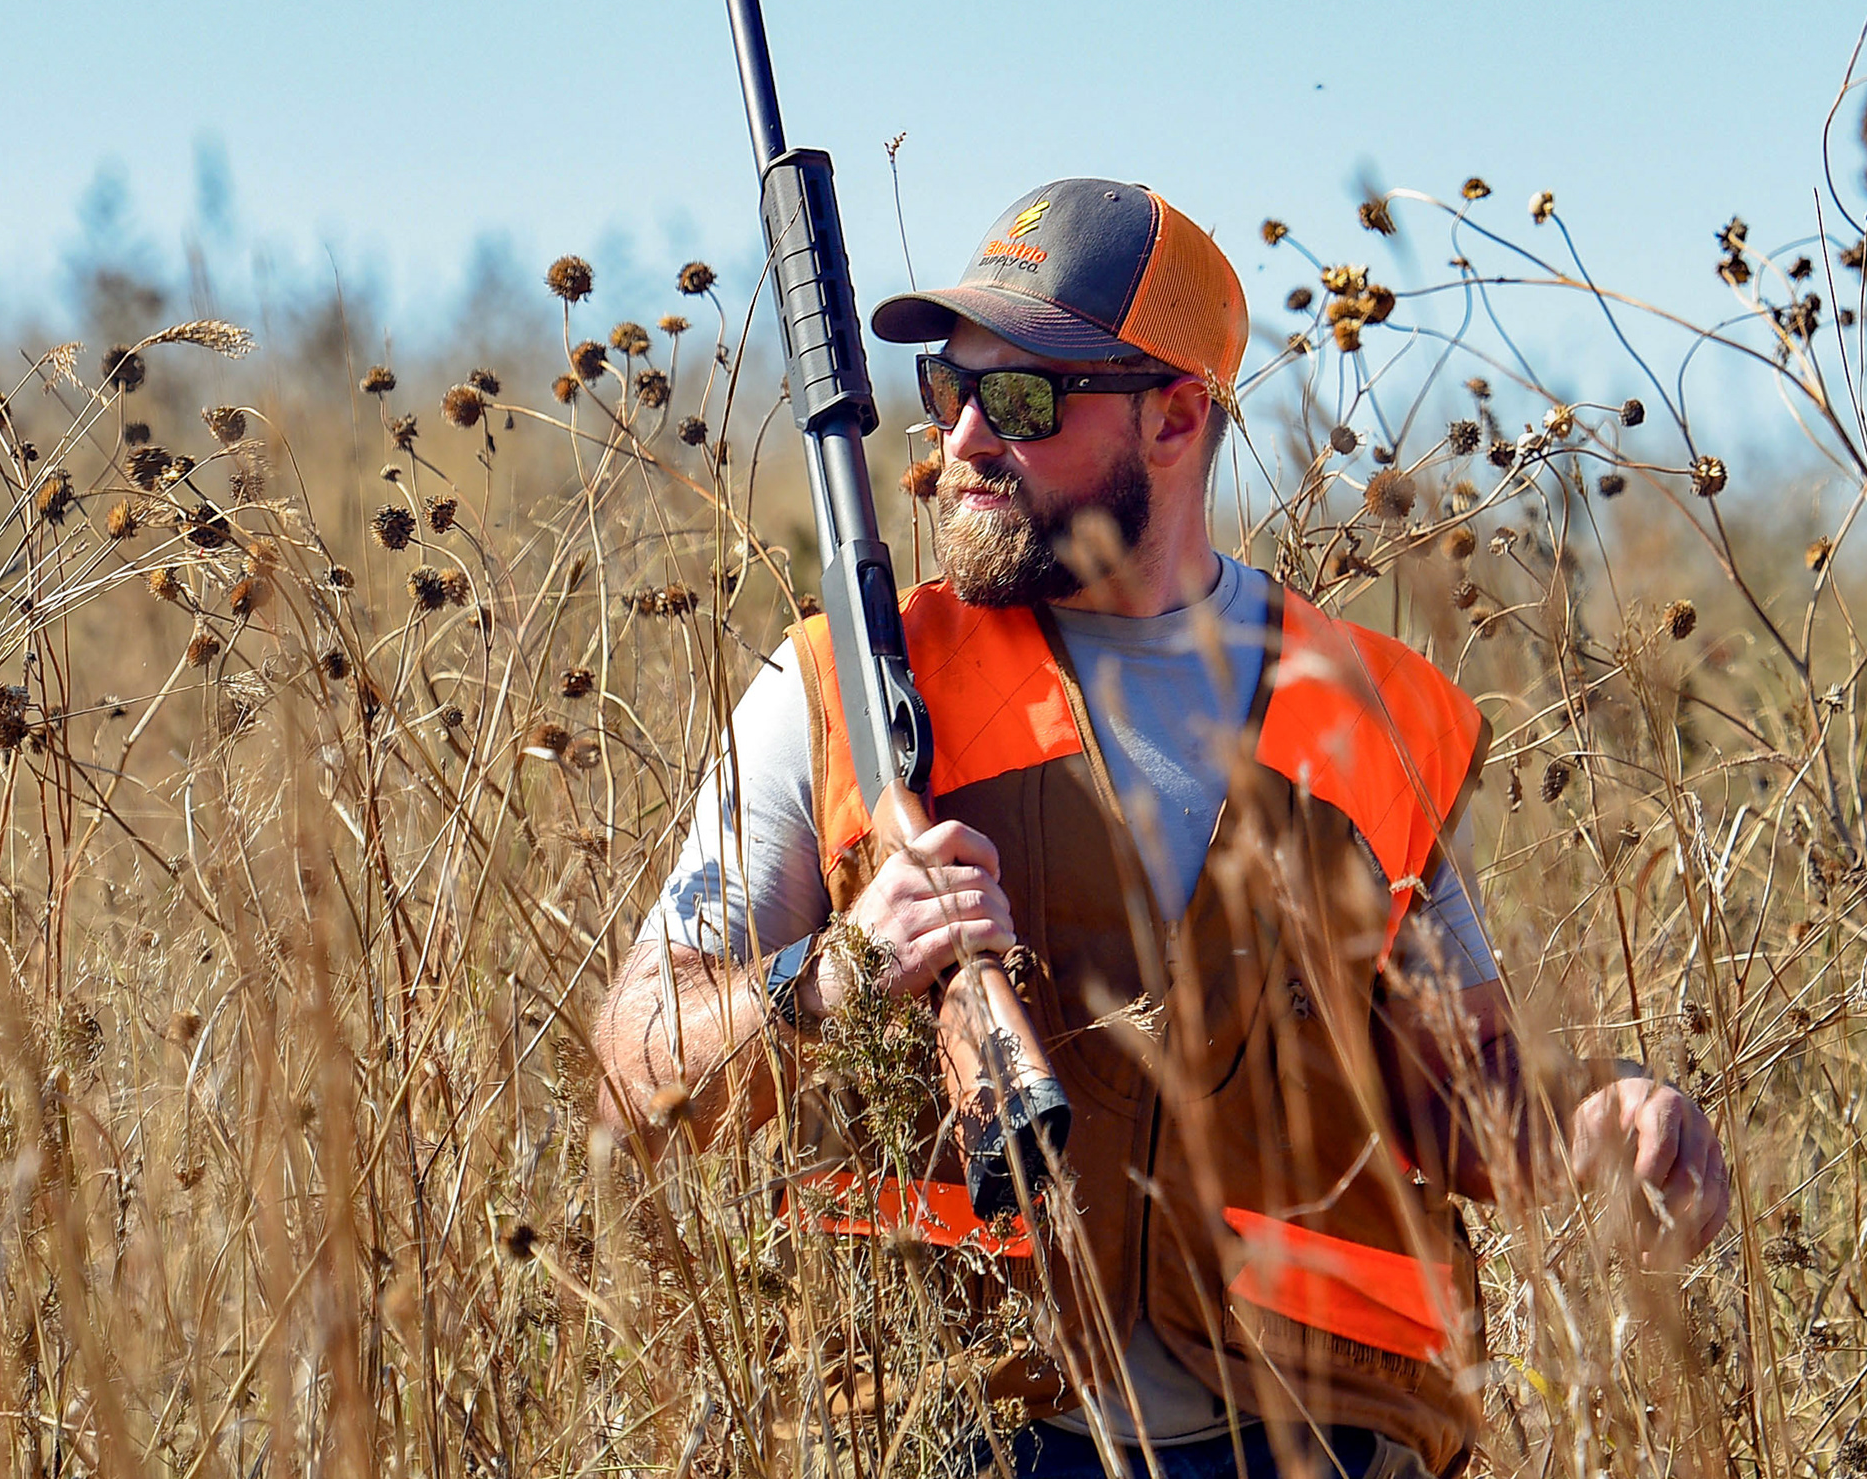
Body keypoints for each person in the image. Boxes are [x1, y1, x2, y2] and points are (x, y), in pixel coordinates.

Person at [593, 179, 1731, 1476]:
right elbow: (637, 1060)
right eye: (945, 386)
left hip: (1312, 1441)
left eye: (1022, 400)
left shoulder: (1366, 710)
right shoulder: (843, 685)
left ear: (1177, 415)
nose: (962, 437)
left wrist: (1606, 1121)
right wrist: (832, 976)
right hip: (949, 1429)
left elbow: (1454, 1097)